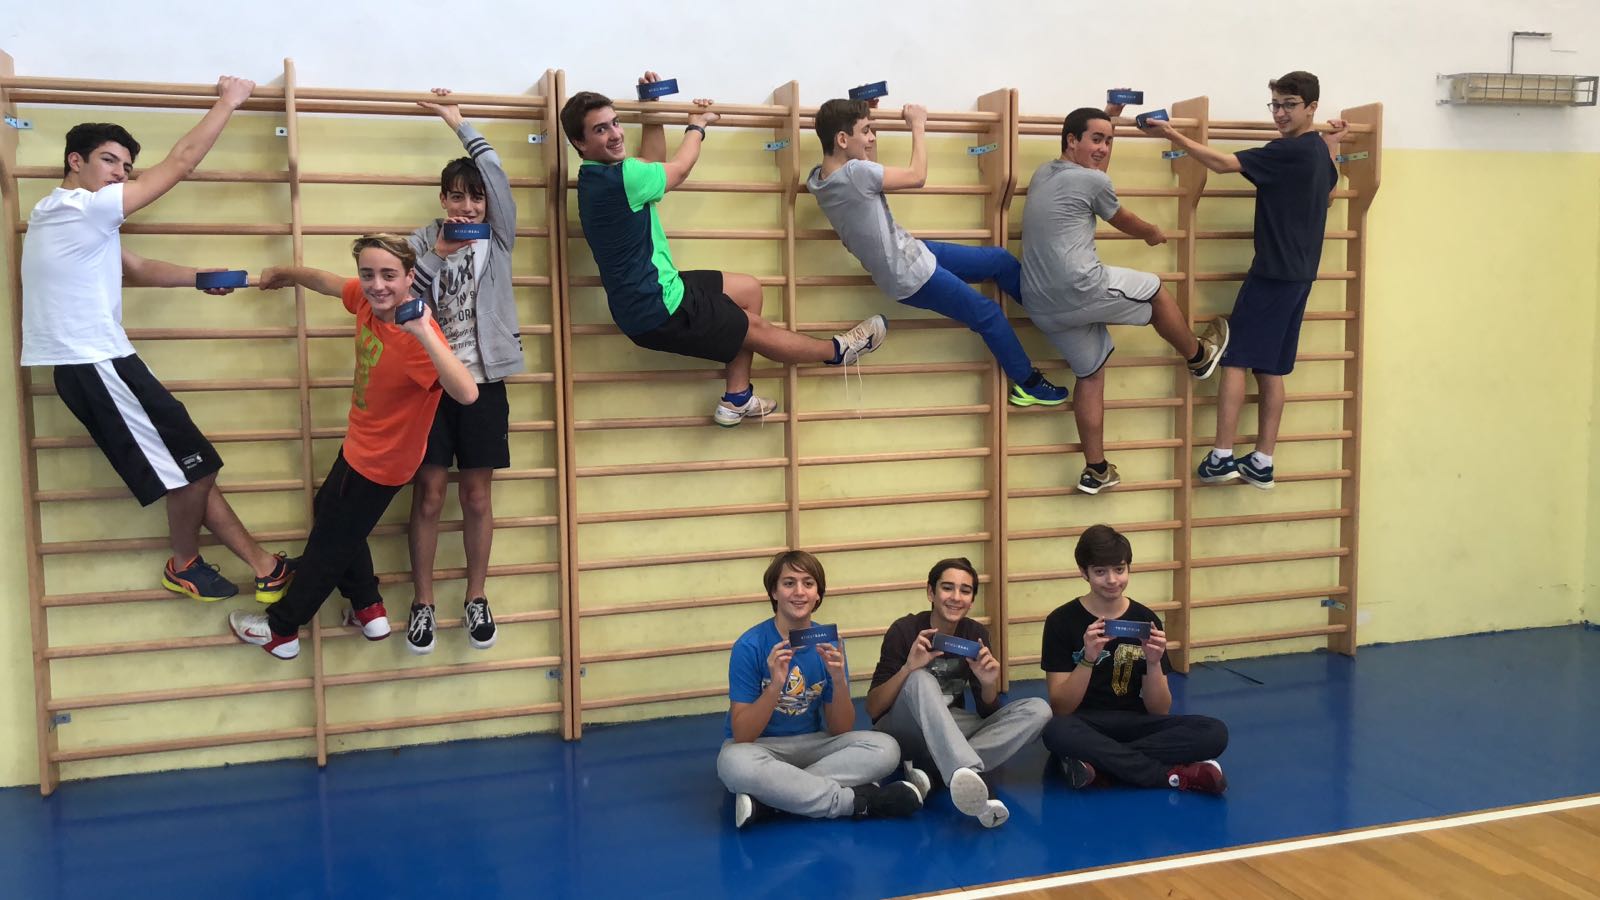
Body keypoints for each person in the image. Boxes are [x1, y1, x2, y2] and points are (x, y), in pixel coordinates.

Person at [19, 76, 293, 603]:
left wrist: (201, 278)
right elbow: (182, 162)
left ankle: (266, 567)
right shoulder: (83, 208)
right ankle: (184, 565)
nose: (120, 173)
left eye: (126, 167)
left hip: (102, 362)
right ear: (75, 161)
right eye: (109, 160)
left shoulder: (63, 215)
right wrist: (229, 101)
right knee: (194, 468)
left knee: (191, 466)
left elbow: (137, 268)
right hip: (96, 363)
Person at [562, 74, 886, 428]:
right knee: (754, 328)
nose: (615, 134)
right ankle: (838, 351)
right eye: (600, 130)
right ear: (579, 142)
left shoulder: (598, 177)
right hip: (658, 307)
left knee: (747, 290)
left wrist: (652, 108)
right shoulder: (623, 177)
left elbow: (652, 161)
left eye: (615, 123)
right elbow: (679, 169)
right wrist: (697, 126)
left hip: (651, 294)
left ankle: (737, 397)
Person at [228, 236, 479, 659]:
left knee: (331, 544)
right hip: (361, 443)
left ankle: (282, 630)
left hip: (383, 461)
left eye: (389, 275)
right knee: (332, 513)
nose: (377, 285)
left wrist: (424, 331)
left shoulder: (416, 337)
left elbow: (467, 393)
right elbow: (326, 282)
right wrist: (285, 273)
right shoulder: (365, 301)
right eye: (368, 274)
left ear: (410, 278)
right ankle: (367, 605)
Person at [1141, 71, 1345, 490]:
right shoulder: (1316, 152)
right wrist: (1335, 145)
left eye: (1290, 105)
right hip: (1300, 276)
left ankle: (1222, 456)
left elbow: (1222, 163)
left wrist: (1172, 134)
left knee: (1234, 358)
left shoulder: (1286, 151)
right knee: (1270, 368)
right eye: (1275, 104)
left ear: (1312, 108)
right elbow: (1328, 194)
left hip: (1272, 274)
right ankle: (1263, 460)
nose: (1280, 113)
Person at [1020, 105, 1228, 494]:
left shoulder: (1043, 173)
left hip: (1041, 304)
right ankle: (1198, 356)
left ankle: (1096, 469)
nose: (1104, 148)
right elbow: (1121, 218)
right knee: (1155, 290)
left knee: (1091, 372)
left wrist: (1108, 113)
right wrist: (1151, 233)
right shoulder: (1092, 181)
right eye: (1097, 139)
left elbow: (1088, 158)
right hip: (1081, 286)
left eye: (1109, 141)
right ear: (1072, 141)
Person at [807, 97, 1069, 406]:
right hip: (909, 272)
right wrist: (918, 124)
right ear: (842, 139)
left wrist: (865, 117)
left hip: (909, 254)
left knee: (999, 261)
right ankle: (1029, 383)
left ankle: (1048, 311)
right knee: (988, 314)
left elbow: (868, 167)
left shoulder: (820, 179)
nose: (872, 137)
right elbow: (916, 176)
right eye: (866, 131)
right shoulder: (855, 175)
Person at [402, 88, 523, 655]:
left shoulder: (499, 238)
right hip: (429, 385)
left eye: (476, 197)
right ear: (443, 198)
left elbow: (497, 177)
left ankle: (476, 596)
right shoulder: (421, 241)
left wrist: (460, 123)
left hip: (485, 383)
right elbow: (405, 302)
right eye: (457, 196)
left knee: (476, 496)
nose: (469, 207)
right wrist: (439, 251)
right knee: (428, 495)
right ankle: (423, 602)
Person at [715, 550, 925, 828]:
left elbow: (841, 729)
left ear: (818, 595)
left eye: (808, 583)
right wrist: (775, 685)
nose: (799, 592)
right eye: (789, 583)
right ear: (774, 592)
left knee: (886, 748)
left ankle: (771, 801)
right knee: (733, 763)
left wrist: (838, 680)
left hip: (814, 744)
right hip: (761, 748)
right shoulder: (749, 646)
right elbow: (743, 735)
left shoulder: (830, 643)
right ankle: (856, 802)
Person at [1039, 525, 1229, 793]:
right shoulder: (1061, 621)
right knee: (1056, 731)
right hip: (1085, 724)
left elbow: (1159, 710)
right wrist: (1088, 658)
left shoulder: (1146, 619)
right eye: (1100, 572)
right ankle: (1169, 775)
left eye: (1119, 569)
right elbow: (1061, 708)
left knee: (1214, 732)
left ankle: (1101, 764)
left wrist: (1153, 662)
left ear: (1129, 568)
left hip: (1136, 721)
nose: (1112, 580)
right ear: (1083, 572)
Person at [866, 557, 1051, 827]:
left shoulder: (974, 633)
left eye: (965, 590)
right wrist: (908, 668)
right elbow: (874, 709)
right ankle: (971, 773)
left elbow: (987, 711)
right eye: (947, 588)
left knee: (1039, 710)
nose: (956, 597)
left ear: (972, 600)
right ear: (931, 592)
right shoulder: (904, 630)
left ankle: (933, 773)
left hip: (951, 725)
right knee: (920, 679)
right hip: (905, 729)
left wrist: (988, 683)